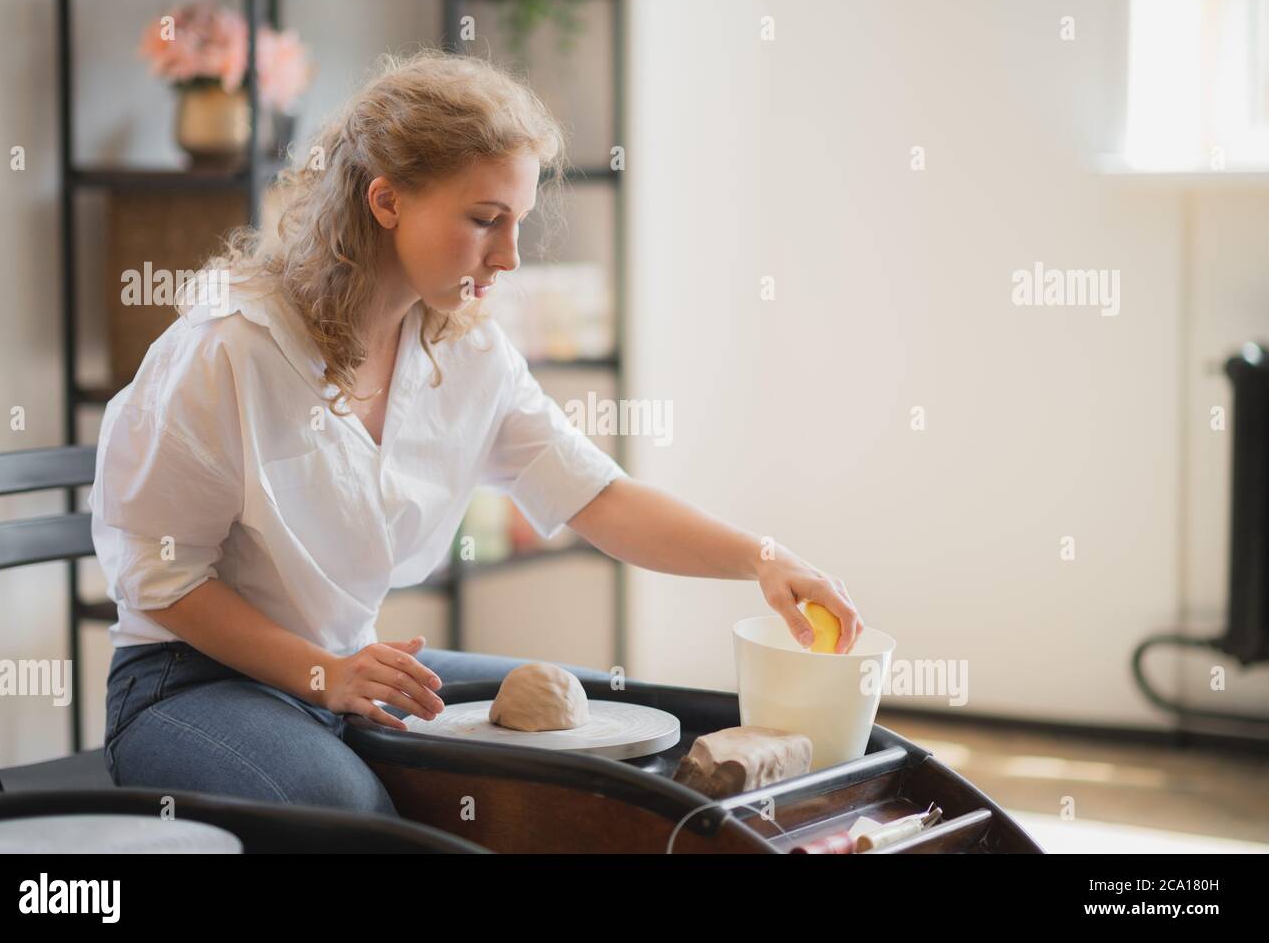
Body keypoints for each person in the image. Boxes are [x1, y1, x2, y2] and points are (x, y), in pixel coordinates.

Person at [91, 48, 865, 818]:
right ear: (386, 201)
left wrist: (764, 560)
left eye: (518, 221)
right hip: (190, 683)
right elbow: (164, 580)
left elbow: (600, 497)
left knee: (614, 733)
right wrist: (324, 672)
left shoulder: (466, 351)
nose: (511, 255)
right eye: (485, 220)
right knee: (351, 814)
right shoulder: (228, 349)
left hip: (352, 668)